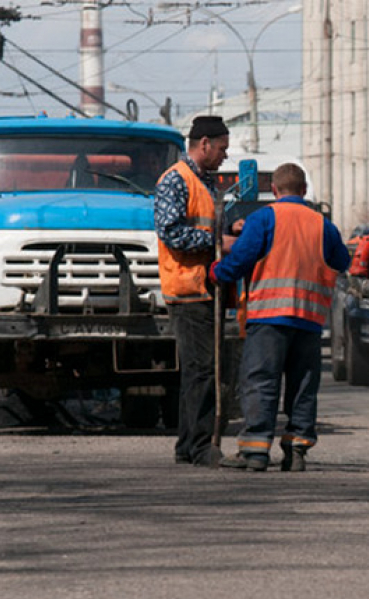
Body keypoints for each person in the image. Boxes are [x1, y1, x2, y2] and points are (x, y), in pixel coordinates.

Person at [211, 163, 350, 473]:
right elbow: (342, 261)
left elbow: (240, 260)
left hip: (269, 316)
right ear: (303, 190)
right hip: (309, 320)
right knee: (303, 384)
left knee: (261, 380)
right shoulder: (322, 224)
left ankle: (256, 450)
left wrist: (217, 273)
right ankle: (297, 448)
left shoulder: (263, 219)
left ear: (274, 190)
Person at [154, 115, 230, 467]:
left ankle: (188, 445)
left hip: (203, 287)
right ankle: (200, 446)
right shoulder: (175, 181)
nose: (224, 156)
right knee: (202, 370)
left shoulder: (204, 183)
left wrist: (229, 229)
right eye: (221, 148)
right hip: (188, 289)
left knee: (198, 371)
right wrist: (219, 242)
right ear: (204, 144)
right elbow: (172, 232)